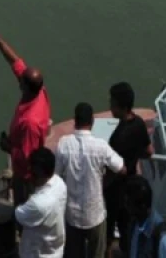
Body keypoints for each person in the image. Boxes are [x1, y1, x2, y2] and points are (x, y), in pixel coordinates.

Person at [0, 14, 51, 205]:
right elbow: (15, 62)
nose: (18, 80)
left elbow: (27, 158)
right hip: (27, 145)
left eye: (21, 81)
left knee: (22, 209)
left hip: (26, 176)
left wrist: (7, 147)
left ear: (27, 87)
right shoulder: (39, 91)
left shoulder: (30, 122)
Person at [55, 103, 124, 258]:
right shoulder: (100, 146)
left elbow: (56, 175)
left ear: (75, 120)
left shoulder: (63, 144)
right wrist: (104, 179)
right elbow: (121, 168)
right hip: (95, 214)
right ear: (92, 121)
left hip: (72, 215)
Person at [105, 83, 152, 257]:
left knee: (108, 232)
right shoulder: (139, 123)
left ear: (123, 107)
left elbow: (116, 170)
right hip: (131, 189)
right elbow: (149, 151)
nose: (110, 107)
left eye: (113, 103)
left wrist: (102, 185)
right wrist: (134, 156)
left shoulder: (118, 137)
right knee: (128, 232)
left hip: (115, 191)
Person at [16, 148, 67, 258]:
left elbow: (18, 215)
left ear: (39, 172)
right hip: (56, 251)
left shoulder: (38, 204)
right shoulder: (60, 183)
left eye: (32, 171)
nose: (30, 174)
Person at [125, 176, 166, 258]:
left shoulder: (162, 238)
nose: (126, 206)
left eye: (129, 203)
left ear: (142, 206)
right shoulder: (133, 227)